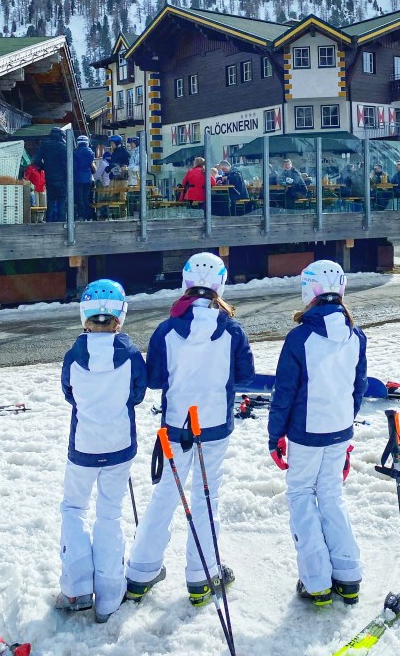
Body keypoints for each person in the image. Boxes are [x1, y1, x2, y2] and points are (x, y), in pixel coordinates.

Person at [125, 253, 254, 607]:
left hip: (177, 424)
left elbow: (153, 379)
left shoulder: (168, 329)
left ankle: (140, 571)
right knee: (206, 496)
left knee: (167, 492)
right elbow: (244, 376)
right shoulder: (230, 328)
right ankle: (201, 575)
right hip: (214, 426)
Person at [268, 260, 367, 608]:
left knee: (300, 496)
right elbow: (359, 387)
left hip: (306, 431)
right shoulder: (355, 334)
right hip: (338, 428)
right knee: (331, 497)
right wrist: (345, 425)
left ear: (309, 290)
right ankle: (348, 574)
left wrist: (274, 435)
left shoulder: (300, 337)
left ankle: (317, 581)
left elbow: (284, 392)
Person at [57, 279, 147, 623]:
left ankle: (78, 588)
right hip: (119, 444)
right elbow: (137, 394)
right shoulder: (130, 353)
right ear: (119, 318)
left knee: (74, 507)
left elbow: (69, 391)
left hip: (84, 445)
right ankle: (109, 597)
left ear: (85, 317)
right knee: (109, 513)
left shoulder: (74, 355)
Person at [34, 127, 68, 222]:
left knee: (51, 201)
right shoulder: (63, 147)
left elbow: (36, 161)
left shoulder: (44, 145)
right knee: (61, 201)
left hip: (49, 177)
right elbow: (67, 164)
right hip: (61, 178)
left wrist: (44, 167)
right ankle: (61, 223)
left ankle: (49, 223)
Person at [73, 135, 96, 221]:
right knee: (86, 198)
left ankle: (81, 216)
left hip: (77, 178)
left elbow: (74, 167)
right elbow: (92, 166)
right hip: (88, 178)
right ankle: (89, 216)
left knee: (79, 199)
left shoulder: (75, 153)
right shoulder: (91, 153)